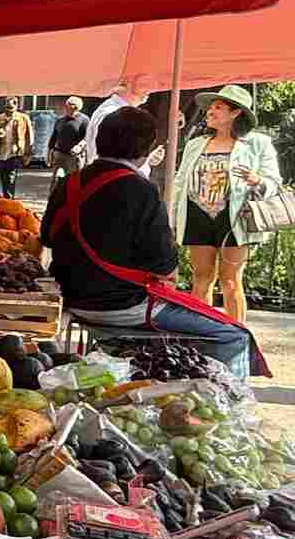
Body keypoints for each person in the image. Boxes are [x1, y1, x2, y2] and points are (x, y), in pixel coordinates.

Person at [41, 106, 268, 380]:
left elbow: (47, 238)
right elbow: (163, 262)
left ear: (99, 139)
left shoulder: (70, 184)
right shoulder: (141, 189)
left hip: (70, 297)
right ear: (145, 149)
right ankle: (224, 406)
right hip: (124, 306)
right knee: (234, 335)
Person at [172, 85, 282, 325]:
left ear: (235, 113)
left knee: (230, 280)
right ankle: (200, 334)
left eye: (218, 107)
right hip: (196, 216)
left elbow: (274, 181)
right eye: (211, 107)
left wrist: (258, 180)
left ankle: (238, 336)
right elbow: (180, 182)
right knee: (201, 279)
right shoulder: (195, 144)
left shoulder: (257, 143)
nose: (210, 111)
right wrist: (171, 218)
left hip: (235, 219)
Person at [0, 96, 33, 198]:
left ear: (16, 106)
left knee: (11, 178)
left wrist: (28, 152)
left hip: (15, 153)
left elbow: (30, 136)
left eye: (11, 108)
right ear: (4, 106)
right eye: (7, 108)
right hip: (0, 154)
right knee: (3, 179)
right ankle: (7, 197)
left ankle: (9, 199)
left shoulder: (23, 118)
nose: (9, 111)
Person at [48, 96, 89, 191]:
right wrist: (49, 152)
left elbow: (87, 137)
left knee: (74, 181)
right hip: (60, 155)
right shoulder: (60, 120)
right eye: (66, 105)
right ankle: (54, 200)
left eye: (68, 105)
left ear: (76, 107)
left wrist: (80, 146)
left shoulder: (84, 120)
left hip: (74, 157)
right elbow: (54, 137)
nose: (65, 107)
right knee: (56, 181)